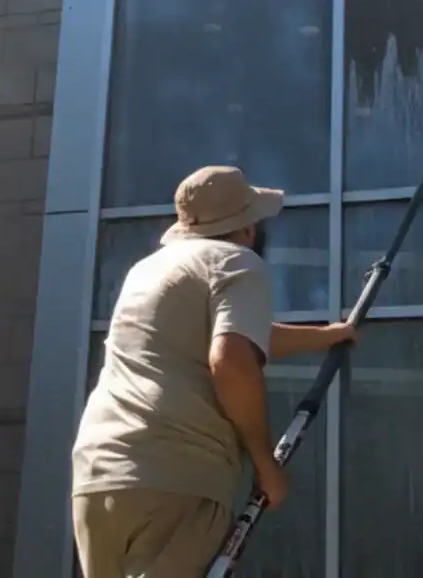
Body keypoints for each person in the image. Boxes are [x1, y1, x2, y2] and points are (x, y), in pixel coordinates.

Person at [71, 165, 358, 577]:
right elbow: (231, 360)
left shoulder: (148, 270)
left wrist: (326, 336)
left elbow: (241, 335)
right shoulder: (236, 261)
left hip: (99, 475)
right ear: (247, 227)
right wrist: (266, 465)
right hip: (178, 473)